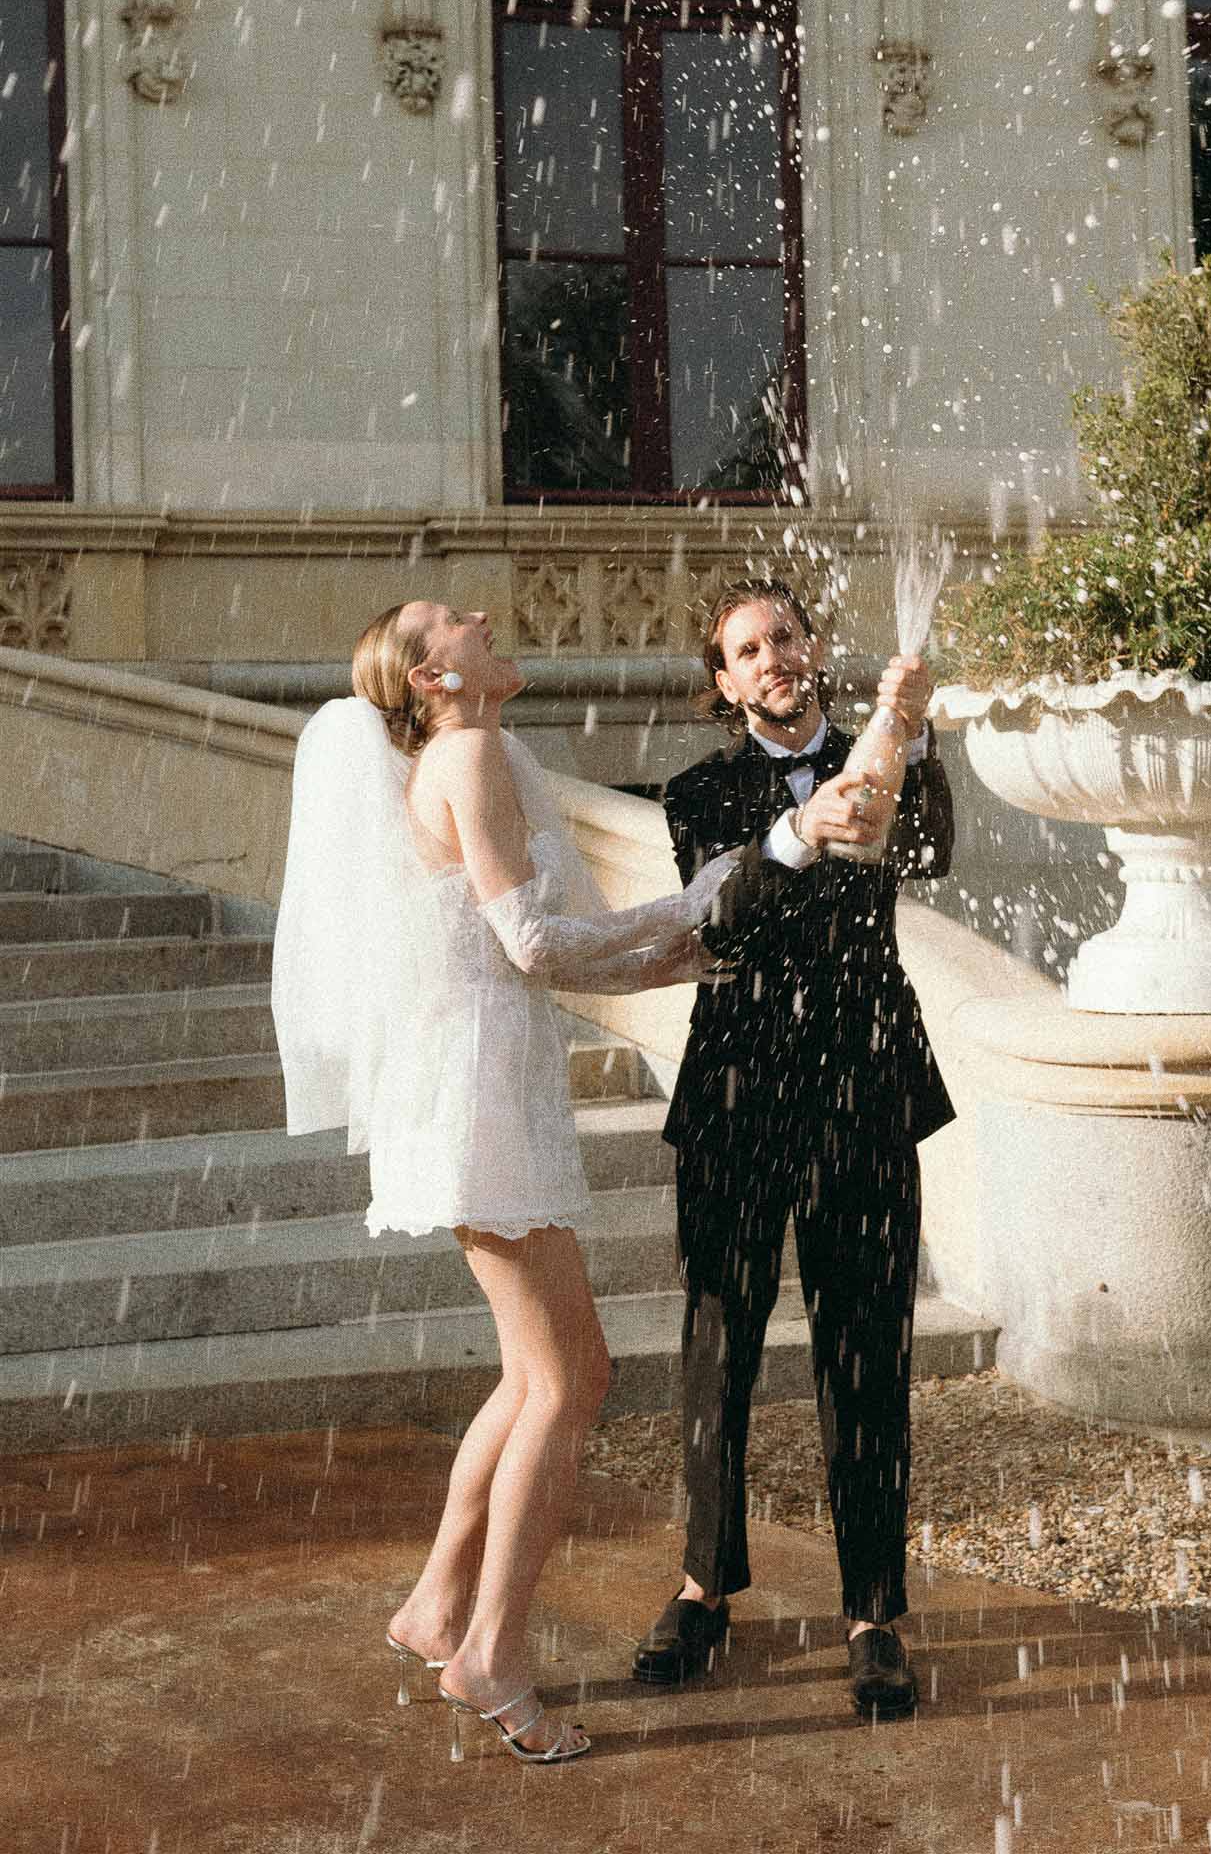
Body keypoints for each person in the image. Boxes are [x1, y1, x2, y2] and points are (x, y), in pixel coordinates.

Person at [271, 601, 735, 1767]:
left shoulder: (466, 752)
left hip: (473, 1086)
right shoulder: (469, 752)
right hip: (478, 1095)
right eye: (452, 621)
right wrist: (689, 909)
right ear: (433, 677)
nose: (481, 616)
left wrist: (673, 945)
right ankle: (492, 1650)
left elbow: (529, 940)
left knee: (536, 1370)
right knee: (574, 1375)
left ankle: (438, 1601)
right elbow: (532, 943)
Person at [631, 577, 955, 1718]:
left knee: (866, 1346)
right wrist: (795, 832)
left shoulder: (891, 749)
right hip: (737, 1089)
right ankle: (702, 1584)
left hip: (865, 1083)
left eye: (785, 636)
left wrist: (905, 732)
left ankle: (874, 1611)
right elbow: (721, 914)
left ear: (813, 650)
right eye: (746, 648)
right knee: (716, 1343)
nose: (773, 656)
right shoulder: (698, 792)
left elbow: (924, 848)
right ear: (723, 682)